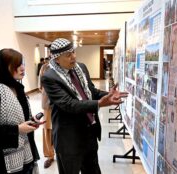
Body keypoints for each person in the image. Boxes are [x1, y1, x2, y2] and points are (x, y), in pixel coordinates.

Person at [41, 38, 128, 174]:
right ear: (57, 59)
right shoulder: (50, 77)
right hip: (69, 139)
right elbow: (69, 104)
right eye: (68, 55)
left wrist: (107, 95)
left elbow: (91, 91)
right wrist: (99, 104)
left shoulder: (80, 68)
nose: (73, 57)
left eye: (74, 52)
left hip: (89, 133)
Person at [0, 49, 40, 174]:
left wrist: (31, 121)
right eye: (17, 65)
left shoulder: (18, 89)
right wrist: (17, 129)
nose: (22, 68)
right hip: (2, 160)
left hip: (24, 153)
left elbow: (21, 117)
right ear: (4, 68)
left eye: (22, 63)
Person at [39, 57, 55, 168]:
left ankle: (62, 153)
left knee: (62, 129)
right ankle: (50, 155)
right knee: (48, 129)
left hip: (63, 104)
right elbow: (40, 86)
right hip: (48, 104)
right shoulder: (44, 67)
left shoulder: (65, 66)